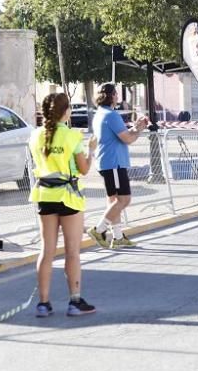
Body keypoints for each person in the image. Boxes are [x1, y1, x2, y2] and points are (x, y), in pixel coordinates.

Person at [28, 92, 99, 317]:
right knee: (72, 252)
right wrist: (92, 150)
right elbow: (84, 169)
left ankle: (43, 303)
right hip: (68, 197)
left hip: (44, 195)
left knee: (46, 251)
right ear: (65, 112)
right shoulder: (72, 136)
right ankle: (75, 301)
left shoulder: (36, 135)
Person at [88, 83, 150, 248]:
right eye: (116, 93)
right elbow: (127, 139)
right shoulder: (112, 115)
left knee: (114, 201)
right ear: (111, 96)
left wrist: (135, 127)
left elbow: (122, 134)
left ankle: (117, 237)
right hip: (114, 162)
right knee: (124, 200)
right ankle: (99, 229)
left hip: (106, 162)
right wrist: (140, 130)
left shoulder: (100, 114)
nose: (117, 96)